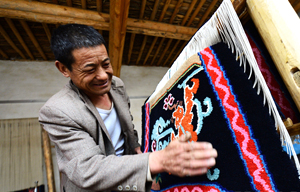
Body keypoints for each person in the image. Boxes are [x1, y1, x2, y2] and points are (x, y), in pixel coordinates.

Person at [39, 24, 218, 192]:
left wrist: (143, 167)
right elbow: (87, 169)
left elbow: (128, 131)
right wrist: (156, 161)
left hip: (128, 179)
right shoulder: (58, 111)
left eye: (106, 64)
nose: (103, 76)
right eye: (90, 69)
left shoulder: (116, 86)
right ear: (63, 68)